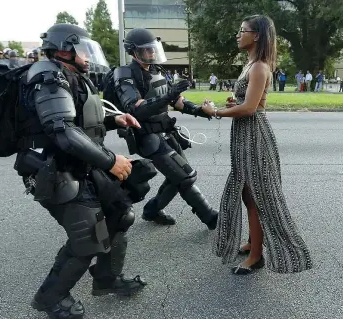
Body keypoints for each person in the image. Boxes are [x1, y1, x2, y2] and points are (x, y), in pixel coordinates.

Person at [0, 24, 148, 318]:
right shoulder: (48, 77)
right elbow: (62, 132)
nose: (88, 56)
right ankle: (50, 297)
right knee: (88, 237)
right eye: (83, 49)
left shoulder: (69, 76)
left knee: (120, 214)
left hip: (80, 164)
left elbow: (80, 123)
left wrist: (115, 121)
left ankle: (106, 278)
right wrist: (111, 161)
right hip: (55, 169)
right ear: (64, 49)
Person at [201, 15, 312, 275]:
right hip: (245, 135)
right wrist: (233, 103)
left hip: (254, 136)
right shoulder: (251, 65)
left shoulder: (260, 67)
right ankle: (254, 241)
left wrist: (215, 111)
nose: (238, 35)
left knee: (255, 197)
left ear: (257, 35)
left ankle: (256, 256)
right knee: (246, 192)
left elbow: (251, 109)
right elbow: (249, 103)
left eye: (243, 31)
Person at [109, 28, 218, 229]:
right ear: (133, 51)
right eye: (147, 50)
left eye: (153, 49)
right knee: (185, 177)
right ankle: (211, 218)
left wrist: (202, 111)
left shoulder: (156, 71)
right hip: (147, 136)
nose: (151, 53)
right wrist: (168, 96)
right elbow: (135, 108)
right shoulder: (125, 73)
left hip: (166, 132)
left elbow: (177, 101)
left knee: (178, 176)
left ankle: (152, 210)